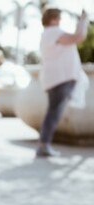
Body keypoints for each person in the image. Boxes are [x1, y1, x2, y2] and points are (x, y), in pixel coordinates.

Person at [37, 7, 88, 158]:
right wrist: (83, 20)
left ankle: (43, 145)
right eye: (59, 18)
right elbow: (78, 36)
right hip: (60, 80)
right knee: (53, 113)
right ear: (53, 19)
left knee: (53, 112)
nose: (60, 20)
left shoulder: (47, 34)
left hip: (57, 79)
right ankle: (43, 145)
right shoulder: (53, 32)